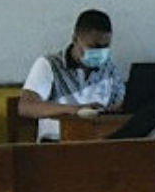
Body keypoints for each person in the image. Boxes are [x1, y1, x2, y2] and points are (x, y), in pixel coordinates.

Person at [16, 10, 124, 142]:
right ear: (75, 39)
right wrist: (75, 110)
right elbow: (26, 107)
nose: (99, 52)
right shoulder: (49, 65)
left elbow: (120, 106)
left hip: (99, 142)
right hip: (56, 143)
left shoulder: (109, 69)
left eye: (105, 46)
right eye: (93, 46)